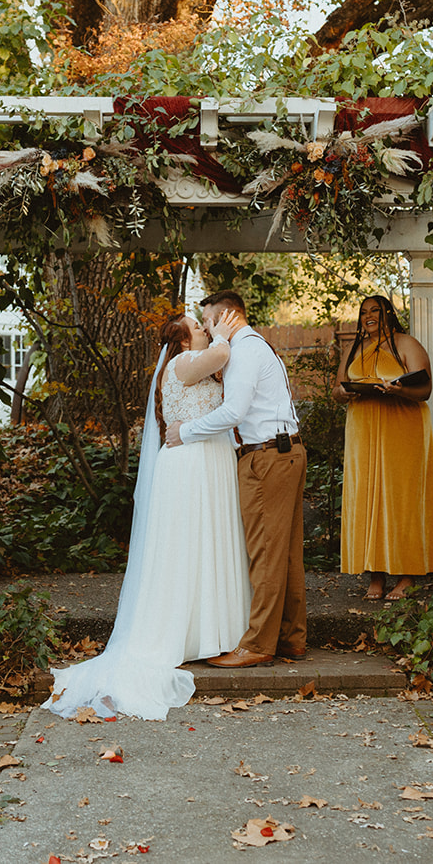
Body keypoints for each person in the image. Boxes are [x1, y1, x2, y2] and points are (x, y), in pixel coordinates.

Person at [46, 313, 250, 719]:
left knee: (211, 546)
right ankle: (179, 635)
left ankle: (213, 632)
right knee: (186, 548)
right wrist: (223, 334)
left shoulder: (201, 364)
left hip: (211, 464)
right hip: (190, 467)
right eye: (197, 326)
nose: (205, 330)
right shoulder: (182, 364)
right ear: (181, 340)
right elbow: (221, 353)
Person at [168, 290, 307, 669]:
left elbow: (234, 411)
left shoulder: (244, 349)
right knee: (286, 552)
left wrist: (187, 431)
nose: (209, 329)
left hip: (266, 457)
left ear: (226, 317)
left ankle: (259, 644)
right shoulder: (255, 346)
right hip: (284, 451)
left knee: (265, 552)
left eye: (209, 321)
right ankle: (291, 638)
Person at [335, 295, 433, 601]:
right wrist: (347, 393)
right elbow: (337, 389)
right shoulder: (354, 349)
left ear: (388, 314)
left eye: (376, 311)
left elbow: (425, 389)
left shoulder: (405, 343)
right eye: (364, 312)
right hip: (363, 431)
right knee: (367, 497)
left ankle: (407, 576)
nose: (369, 316)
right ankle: (376, 575)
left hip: (401, 427)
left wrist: (400, 388)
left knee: (401, 497)